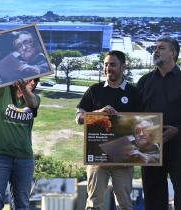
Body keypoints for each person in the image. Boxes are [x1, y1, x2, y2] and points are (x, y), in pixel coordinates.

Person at [75, 50, 140, 210]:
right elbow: (78, 118)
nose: (107, 68)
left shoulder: (133, 92)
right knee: (93, 203)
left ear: (123, 66)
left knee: (125, 204)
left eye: (112, 64)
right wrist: (98, 114)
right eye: (105, 64)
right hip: (97, 156)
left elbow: (143, 123)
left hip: (123, 158)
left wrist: (121, 120)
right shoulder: (94, 90)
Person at [0, 78, 40, 210]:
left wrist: (24, 88)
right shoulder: (3, 90)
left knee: (22, 205)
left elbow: (33, 104)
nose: (32, 82)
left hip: (23, 159)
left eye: (35, 81)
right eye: (29, 79)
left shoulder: (34, 98)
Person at [137, 36, 181, 210]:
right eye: (155, 47)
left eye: (161, 48)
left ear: (173, 53)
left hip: (179, 148)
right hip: (150, 148)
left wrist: (177, 130)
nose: (156, 50)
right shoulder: (144, 82)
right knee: (153, 197)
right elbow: (134, 114)